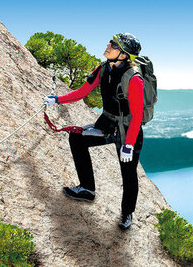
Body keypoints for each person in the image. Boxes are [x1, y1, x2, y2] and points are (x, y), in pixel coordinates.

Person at [43, 33, 144, 230]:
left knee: (128, 172)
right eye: (111, 41)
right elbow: (82, 92)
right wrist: (56, 100)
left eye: (114, 44)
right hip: (107, 122)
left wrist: (129, 144)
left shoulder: (134, 79)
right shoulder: (104, 69)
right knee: (77, 138)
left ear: (123, 55)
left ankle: (127, 213)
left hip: (127, 129)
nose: (108, 45)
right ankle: (87, 188)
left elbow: (137, 116)